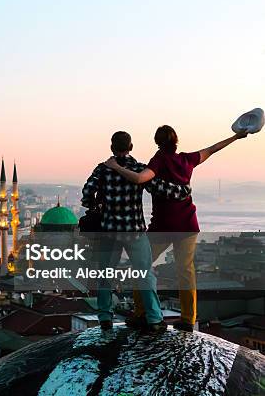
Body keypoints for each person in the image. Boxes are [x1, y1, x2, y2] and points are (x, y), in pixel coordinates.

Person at [105, 126, 249, 331]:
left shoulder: (158, 160)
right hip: (188, 225)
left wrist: (114, 166)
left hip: (162, 227)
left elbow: (138, 179)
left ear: (157, 141)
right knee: (186, 272)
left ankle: (141, 313)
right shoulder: (186, 160)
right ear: (176, 141)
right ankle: (188, 319)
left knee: (141, 267)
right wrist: (236, 136)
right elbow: (213, 148)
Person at [81, 131, 191, 333]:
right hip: (135, 231)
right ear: (131, 147)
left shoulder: (103, 170)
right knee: (145, 274)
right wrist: (183, 191)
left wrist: (96, 205)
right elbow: (161, 188)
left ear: (112, 147)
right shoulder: (138, 169)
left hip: (109, 231)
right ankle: (155, 318)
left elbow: (87, 193)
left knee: (106, 274)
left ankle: (105, 317)